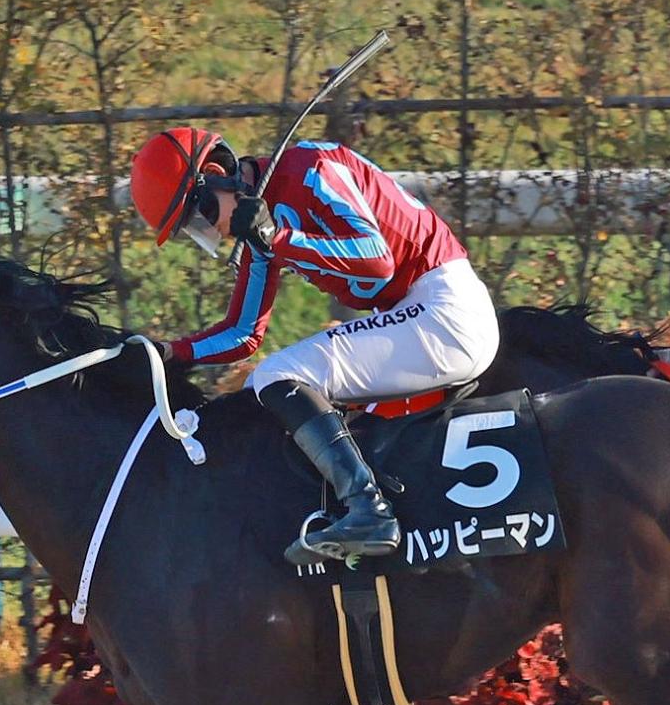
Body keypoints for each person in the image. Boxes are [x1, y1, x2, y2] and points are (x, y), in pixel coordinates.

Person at [129, 127, 498, 562]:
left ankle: (369, 510)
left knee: (279, 375)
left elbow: (377, 262)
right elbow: (244, 333)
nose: (215, 231)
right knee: (268, 387)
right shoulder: (259, 228)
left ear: (216, 173)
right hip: (418, 317)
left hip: (444, 310)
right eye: (194, 229)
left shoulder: (311, 170)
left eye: (202, 214)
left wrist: (276, 237)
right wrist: (170, 353)